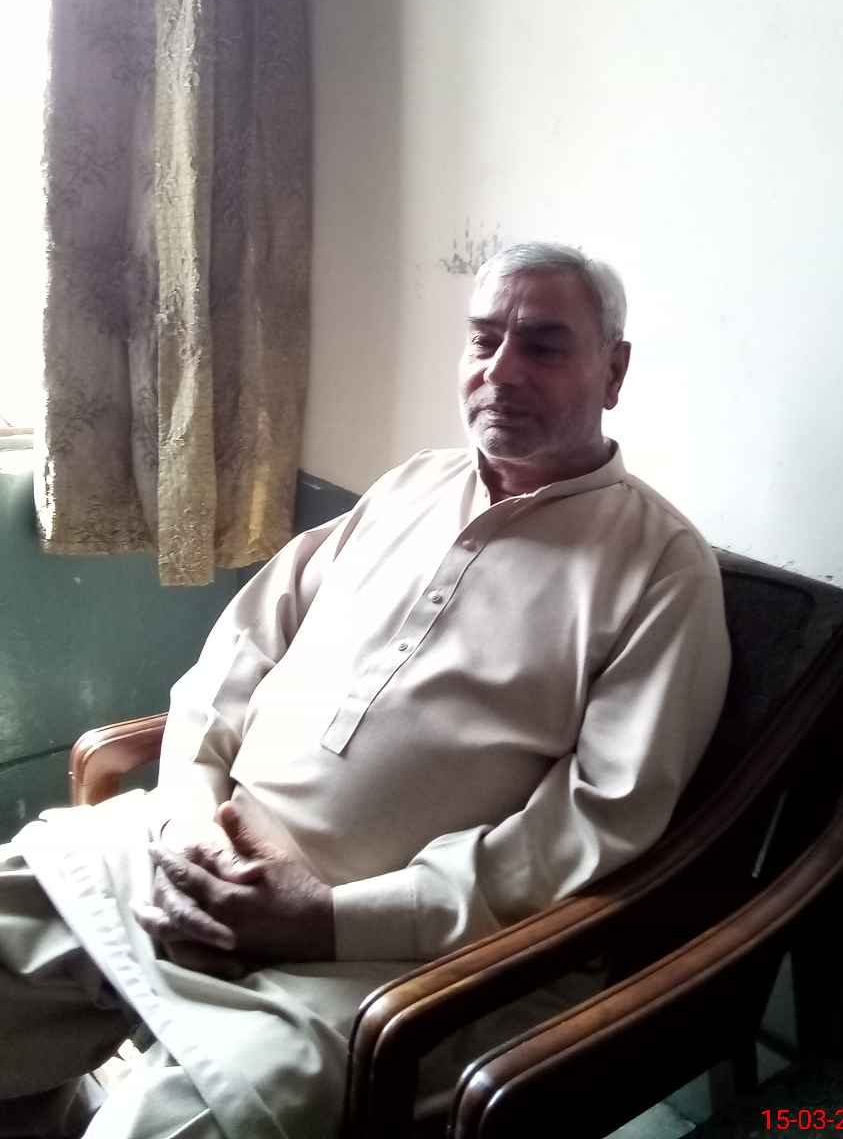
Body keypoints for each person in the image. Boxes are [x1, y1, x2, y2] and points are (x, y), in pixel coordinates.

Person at [0, 243, 731, 1139]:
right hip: (184, 856)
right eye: (483, 340)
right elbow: (239, 653)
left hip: (380, 962)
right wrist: (189, 818)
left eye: (543, 345)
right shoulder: (410, 487)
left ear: (614, 371)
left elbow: (595, 825)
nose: (501, 371)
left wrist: (328, 922)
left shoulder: (660, 567)